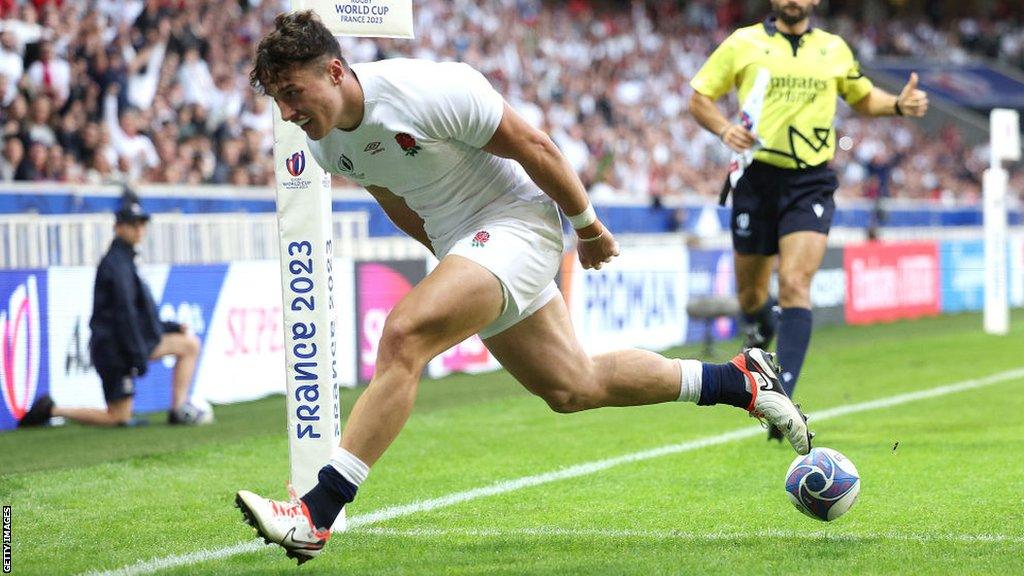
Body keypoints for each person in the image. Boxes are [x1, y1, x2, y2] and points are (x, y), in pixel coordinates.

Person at [234, 11, 812, 564]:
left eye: (292, 93)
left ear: (334, 72)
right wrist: (454, 263)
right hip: (473, 246)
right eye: (278, 99)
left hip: (518, 222)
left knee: (403, 335)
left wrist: (587, 227)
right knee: (572, 386)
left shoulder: (428, 89)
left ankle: (316, 514)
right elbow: (394, 197)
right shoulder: (325, 141)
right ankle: (737, 382)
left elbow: (534, 146)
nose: (287, 112)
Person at [688, 0, 928, 441]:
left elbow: (861, 96)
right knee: (751, 294)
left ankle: (784, 400)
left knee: (796, 283)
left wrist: (897, 104)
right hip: (755, 179)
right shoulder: (744, 42)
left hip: (810, 181)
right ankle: (761, 328)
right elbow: (700, 97)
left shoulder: (834, 49)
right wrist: (724, 129)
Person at [18, 192, 204, 428]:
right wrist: (138, 356)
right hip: (115, 351)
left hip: (126, 345)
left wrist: (173, 327)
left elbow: (140, 313)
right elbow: (124, 315)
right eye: (133, 225)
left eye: (142, 224)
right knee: (118, 417)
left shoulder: (126, 260)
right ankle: (52, 410)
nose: (139, 230)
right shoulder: (116, 263)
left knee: (189, 343)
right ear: (118, 228)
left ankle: (179, 409)